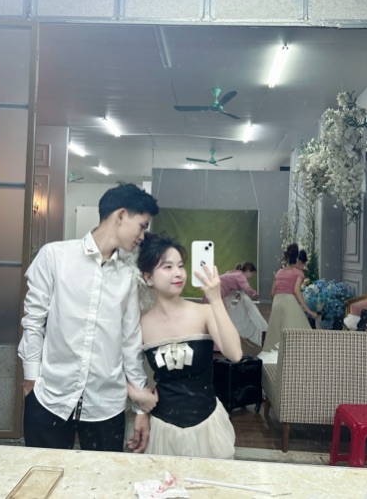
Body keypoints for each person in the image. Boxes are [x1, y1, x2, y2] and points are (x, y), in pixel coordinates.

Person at [18, 183, 159, 453]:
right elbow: (33, 321)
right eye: (142, 226)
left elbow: (130, 342)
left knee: (102, 478)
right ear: (120, 215)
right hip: (49, 397)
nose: (142, 236)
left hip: (106, 405)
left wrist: (140, 407)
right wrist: (31, 380)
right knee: (44, 473)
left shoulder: (128, 276)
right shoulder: (55, 256)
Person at [127, 232, 242, 459]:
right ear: (148, 277)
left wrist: (215, 299)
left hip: (206, 424)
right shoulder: (141, 324)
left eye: (180, 265)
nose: (178, 273)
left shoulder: (204, 312)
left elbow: (235, 353)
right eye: (167, 267)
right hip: (162, 427)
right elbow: (116, 367)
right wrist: (136, 395)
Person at [262, 243, 317, 352]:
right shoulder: (298, 273)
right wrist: (308, 310)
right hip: (289, 301)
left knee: (276, 333)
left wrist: (276, 303)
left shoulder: (279, 272)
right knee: (297, 331)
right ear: (299, 262)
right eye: (304, 264)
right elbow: (296, 291)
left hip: (277, 301)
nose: (303, 267)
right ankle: (293, 355)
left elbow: (272, 292)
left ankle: (275, 355)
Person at [215, 263, 268, 347]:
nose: (252, 276)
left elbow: (231, 286)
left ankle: (221, 341)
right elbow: (247, 289)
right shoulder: (240, 276)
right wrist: (255, 294)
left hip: (216, 292)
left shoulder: (234, 273)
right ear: (248, 271)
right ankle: (220, 343)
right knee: (221, 317)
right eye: (252, 273)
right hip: (217, 293)